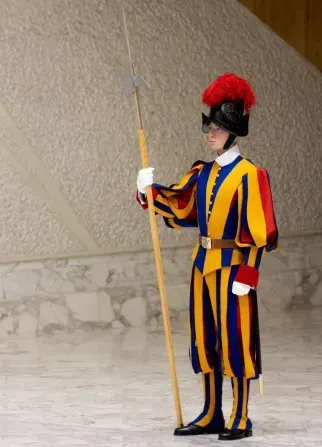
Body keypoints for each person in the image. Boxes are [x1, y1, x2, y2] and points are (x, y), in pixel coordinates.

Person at [135, 73, 278, 441]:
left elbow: (261, 233)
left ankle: (240, 416)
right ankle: (213, 412)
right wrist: (149, 190)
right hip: (203, 266)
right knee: (206, 339)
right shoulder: (202, 172)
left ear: (233, 131)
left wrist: (249, 273)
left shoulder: (251, 175)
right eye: (209, 126)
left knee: (236, 340)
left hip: (234, 270)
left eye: (216, 127)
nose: (210, 133)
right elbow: (182, 207)